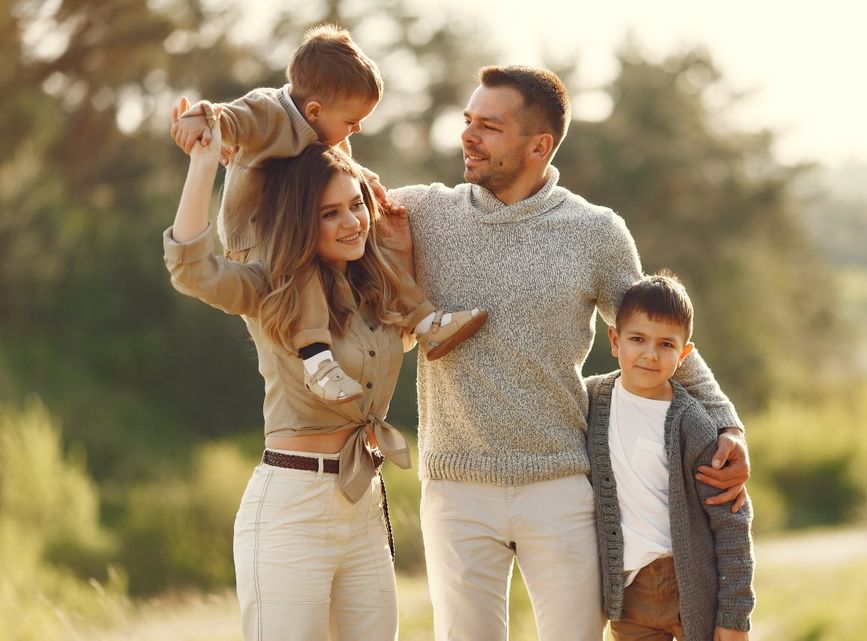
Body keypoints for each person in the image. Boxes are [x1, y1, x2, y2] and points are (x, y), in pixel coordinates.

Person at [385, 65, 751, 641]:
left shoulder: (595, 232)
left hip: (560, 483)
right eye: (468, 121)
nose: (468, 135)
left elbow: (655, 335)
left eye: (489, 126)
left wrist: (728, 424)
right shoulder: (422, 213)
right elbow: (330, 190)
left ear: (539, 145)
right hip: (455, 488)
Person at [164, 106, 415, 640]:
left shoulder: (377, 292)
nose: (352, 223)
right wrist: (207, 161)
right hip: (292, 508)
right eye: (329, 214)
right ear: (302, 220)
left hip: (363, 501)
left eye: (355, 206)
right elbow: (192, 270)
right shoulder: (270, 288)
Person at [171, 23, 486, 405]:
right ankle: (317, 360)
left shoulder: (325, 132)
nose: (357, 129)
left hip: (299, 229)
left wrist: (370, 188)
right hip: (258, 237)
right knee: (302, 267)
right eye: (351, 121)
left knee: (378, 245)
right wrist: (199, 122)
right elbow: (228, 118)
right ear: (314, 110)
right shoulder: (269, 112)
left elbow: (339, 168)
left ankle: (424, 320)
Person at [586, 272, 755, 641]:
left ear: (684, 355)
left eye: (665, 344)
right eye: (637, 339)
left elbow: (731, 520)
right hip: (628, 597)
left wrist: (734, 616)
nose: (649, 353)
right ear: (614, 340)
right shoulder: (590, 402)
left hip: (693, 591)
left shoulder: (691, 422)